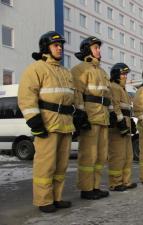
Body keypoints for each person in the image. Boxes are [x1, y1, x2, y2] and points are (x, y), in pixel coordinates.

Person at [18, 31, 77, 213]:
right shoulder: (36, 68)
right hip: (47, 123)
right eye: (55, 45)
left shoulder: (65, 72)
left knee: (61, 165)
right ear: (46, 47)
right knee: (46, 165)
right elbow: (26, 97)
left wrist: (78, 118)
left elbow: (71, 98)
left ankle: (56, 198)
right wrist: (35, 122)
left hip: (65, 124)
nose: (60, 48)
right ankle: (44, 200)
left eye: (61, 45)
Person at [71, 36, 111, 200]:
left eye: (99, 48)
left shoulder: (102, 72)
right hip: (90, 117)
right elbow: (77, 93)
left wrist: (112, 114)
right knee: (89, 155)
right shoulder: (79, 69)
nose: (99, 50)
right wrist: (80, 114)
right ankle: (86, 189)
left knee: (101, 155)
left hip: (102, 117)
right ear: (87, 50)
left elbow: (107, 96)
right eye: (96, 48)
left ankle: (95, 187)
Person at [107, 63, 137, 191]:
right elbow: (115, 106)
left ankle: (126, 181)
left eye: (126, 74)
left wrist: (131, 121)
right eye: (123, 74)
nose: (125, 76)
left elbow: (126, 109)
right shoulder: (114, 87)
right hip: (118, 126)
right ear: (116, 75)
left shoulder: (123, 89)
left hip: (125, 123)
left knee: (127, 155)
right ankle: (116, 182)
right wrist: (120, 123)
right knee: (117, 155)